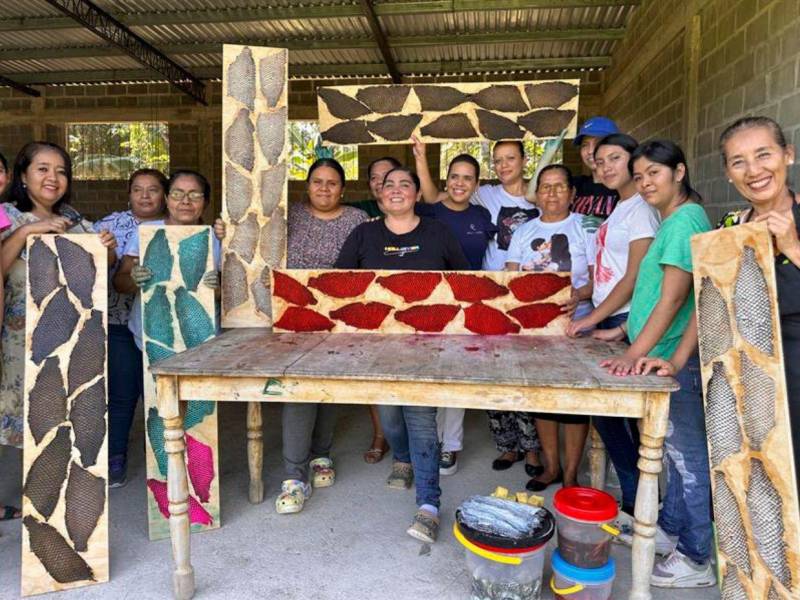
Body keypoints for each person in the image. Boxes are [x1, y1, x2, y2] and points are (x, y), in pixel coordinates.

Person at [644, 116, 800, 497]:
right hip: (743, 375)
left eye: (763, 155)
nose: (754, 170)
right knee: (753, 488)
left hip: (795, 374)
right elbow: (710, 304)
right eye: (738, 161)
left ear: (788, 156)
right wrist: (677, 363)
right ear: (728, 173)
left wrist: (792, 245)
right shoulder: (730, 226)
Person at [595, 140, 713, 587]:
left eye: (654, 174)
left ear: (679, 172)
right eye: (640, 175)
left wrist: (633, 353)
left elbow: (675, 297)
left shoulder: (684, 222)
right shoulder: (674, 220)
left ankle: (697, 556)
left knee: (686, 460)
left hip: (667, 358)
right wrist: (622, 332)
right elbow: (653, 295)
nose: (645, 183)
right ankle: (671, 532)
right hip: (657, 352)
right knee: (672, 454)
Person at [335, 167, 470, 543]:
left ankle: (428, 505)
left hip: (427, 342)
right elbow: (339, 283)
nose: (396, 190)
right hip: (376, 345)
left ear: (416, 194)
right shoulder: (364, 233)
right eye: (389, 185)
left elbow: (465, 282)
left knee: (422, 419)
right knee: (391, 418)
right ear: (379, 194)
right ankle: (404, 457)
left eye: (405, 185)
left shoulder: (437, 232)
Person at [0, 142, 116, 519]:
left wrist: (108, 250)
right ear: (23, 175)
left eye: (61, 171)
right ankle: (8, 498)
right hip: (16, 337)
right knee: (15, 409)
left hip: (62, 338)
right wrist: (30, 230)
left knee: (52, 412)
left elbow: (100, 273)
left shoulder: (75, 220)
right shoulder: (6, 216)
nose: (53, 178)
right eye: (43, 169)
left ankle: (46, 497)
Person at [416, 138, 544, 475]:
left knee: (523, 370)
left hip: (522, 292)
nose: (504, 165)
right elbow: (433, 198)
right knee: (476, 371)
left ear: (523, 160)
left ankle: (531, 449)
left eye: (510, 159)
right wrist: (420, 156)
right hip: (471, 295)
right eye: (498, 160)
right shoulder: (484, 197)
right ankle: (503, 445)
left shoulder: (535, 195)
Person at [566, 133, 660, 519]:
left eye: (615, 159)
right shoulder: (620, 207)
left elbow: (636, 275)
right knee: (610, 415)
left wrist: (594, 317)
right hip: (620, 320)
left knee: (615, 414)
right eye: (600, 161)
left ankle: (637, 502)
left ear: (633, 162)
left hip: (627, 317)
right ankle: (634, 498)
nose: (605, 167)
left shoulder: (641, 209)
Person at [278, 158, 367, 513]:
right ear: (307, 186)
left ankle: (321, 455)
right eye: (318, 182)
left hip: (338, 317)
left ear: (343, 189)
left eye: (332, 183)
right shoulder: (289, 216)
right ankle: (294, 475)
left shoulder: (357, 220)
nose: (325, 188)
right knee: (298, 390)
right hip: (294, 315)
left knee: (327, 387)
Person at [506, 164, 594, 491]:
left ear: (572, 193)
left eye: (559, 186)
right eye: (545, 187)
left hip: (576, 325)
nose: (552, 193)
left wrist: (579, 294)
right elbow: (511, 278)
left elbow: (599, 279)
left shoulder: (587, 228)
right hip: (535, 329)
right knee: (542, 398)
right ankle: (551, 466)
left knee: (573, 401)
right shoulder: (523, 232)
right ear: (537, 194)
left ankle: (571, 474)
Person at [412, 151, 497, 475]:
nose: (460, 183)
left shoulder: (482, 216)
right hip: (430, 304)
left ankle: (450, 447)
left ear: (476, 184)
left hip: (467, 306)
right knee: (426, 375)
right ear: (447, 179)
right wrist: (421, 156)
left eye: (467, 178)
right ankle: (427, 442)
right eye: (455, 176)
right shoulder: (429, 211)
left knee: (455, 376)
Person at [94, 168, 167, 487]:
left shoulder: (176, 225)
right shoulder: (108, 226)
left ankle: (167, 461)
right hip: (118, 320)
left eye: (153, 189)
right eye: (138, 189)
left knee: (161, 394)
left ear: (164, 194)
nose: (145, 196)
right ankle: (115, 457)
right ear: (129, 194)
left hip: (159, 322)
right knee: (123, 394)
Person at [114, 169, 220, 352]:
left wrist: (216, 288)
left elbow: (229, 295)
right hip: (150, 337)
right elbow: (119, 283)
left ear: (206, 202)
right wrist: (134, 279)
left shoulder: (217, 238)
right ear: (167, 199)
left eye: (194, 195)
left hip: (201, 338)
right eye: (177, 194)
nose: (185, 201)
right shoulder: (147, 232)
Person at [357, 156, 402, 464]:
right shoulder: (359, 214)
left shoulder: (414, 213)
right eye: (375, 177)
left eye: (389, 177)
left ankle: (409, 443)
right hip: (373, 304)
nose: (383, 183)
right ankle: (380, 434)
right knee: (375, 377)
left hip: (409, 306)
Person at [571, 117, 621, 233]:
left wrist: (606, 227)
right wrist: (549, 153)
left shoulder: (625, 187)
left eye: (598, 143)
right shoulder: (576, 184)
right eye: (585, 145)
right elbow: (532, 196)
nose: (590, 151)